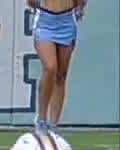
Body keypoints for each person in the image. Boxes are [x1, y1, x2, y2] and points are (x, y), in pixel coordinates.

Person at [29, 0, 86, 130]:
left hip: (67, 20)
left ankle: (54, 123)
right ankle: (41, 119)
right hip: (45, 20)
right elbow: (31, 2)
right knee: (50, 67)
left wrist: (80, 8)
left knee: (61, 75)